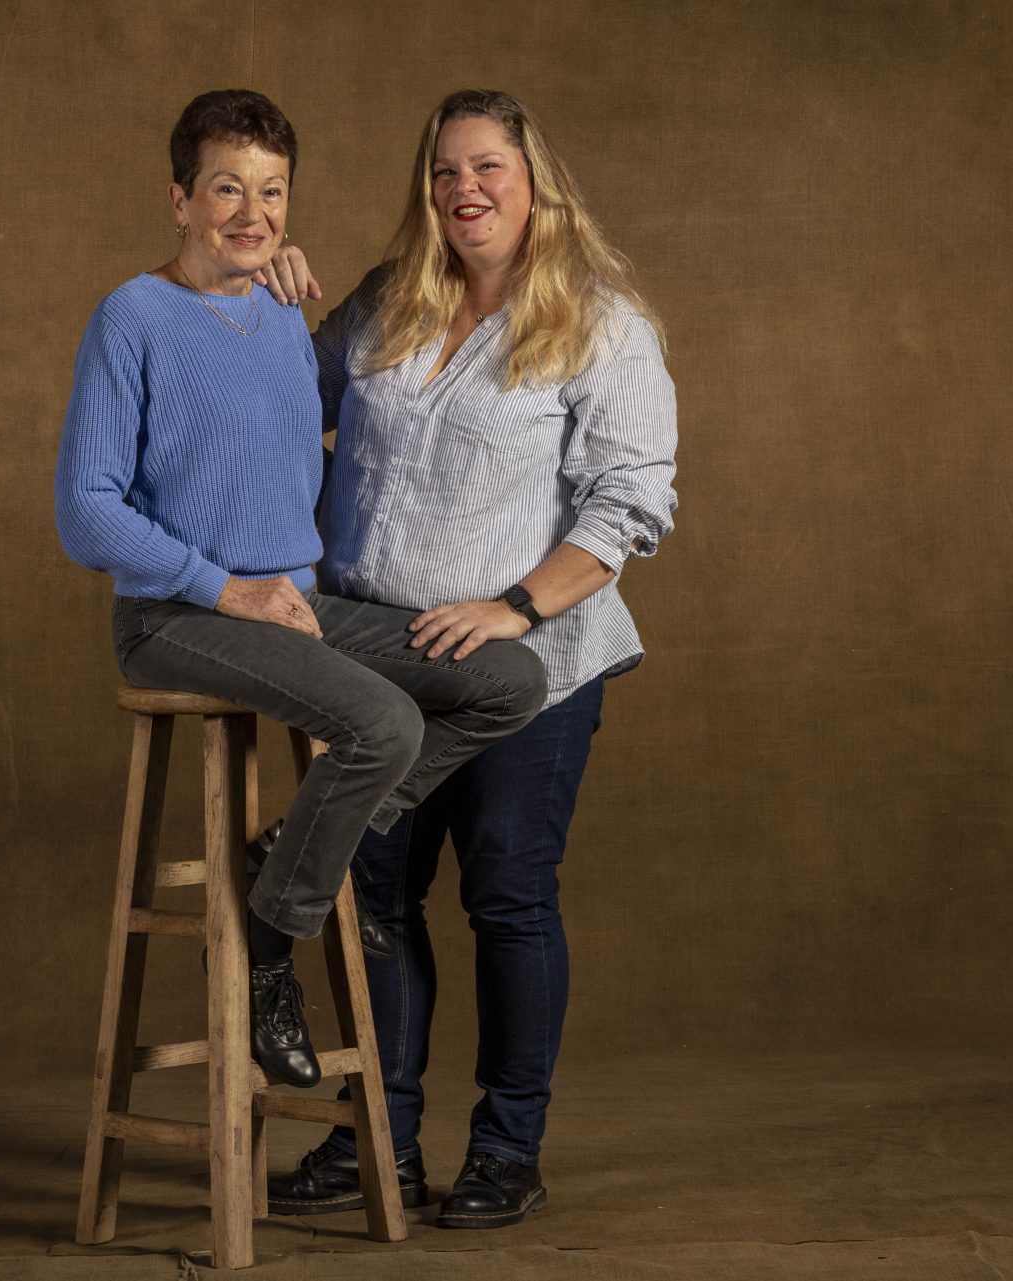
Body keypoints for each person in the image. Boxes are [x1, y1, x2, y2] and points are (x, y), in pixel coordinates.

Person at [54, 90, 547, 1093]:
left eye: (272, 191)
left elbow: (300, 436)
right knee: (385, 724)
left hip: (293, 602)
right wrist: (226, 590)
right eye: (226, 189)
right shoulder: (131, 317)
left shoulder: (283, 312)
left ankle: (295, 850)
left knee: (509, 678)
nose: (252, 212)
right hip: (175, 615)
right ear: (179, 199)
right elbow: (84, 512)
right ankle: (267, 950)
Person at [262, 89, 679, 1227]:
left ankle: (506, 1149)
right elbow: (277, 404)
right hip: (374, 657)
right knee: (374, 897)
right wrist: (259, 295)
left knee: (506, 896)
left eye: (487, 166)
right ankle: (377, 1141)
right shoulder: (387, 300)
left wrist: (513, 607)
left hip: (528, 671)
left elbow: (632, 503)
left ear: (534, 180)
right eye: (445, 171)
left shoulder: (600, 324)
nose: (465, 189)